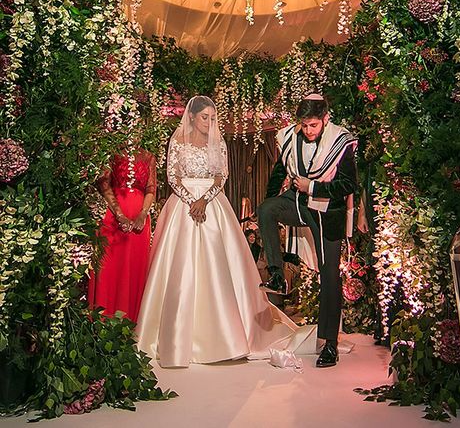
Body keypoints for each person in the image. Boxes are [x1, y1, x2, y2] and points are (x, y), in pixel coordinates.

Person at [136, 96, 295, 367]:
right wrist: (190, 200)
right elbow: (172, 176)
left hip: (212, 203)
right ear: (192, 117)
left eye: (212, 117)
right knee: (179, 268)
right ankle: (174, 336)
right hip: (182, 205)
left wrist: (204, 199)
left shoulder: (218, 142)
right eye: (204, 118)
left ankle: (226, 334)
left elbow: (222, 175)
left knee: (219, 266)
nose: (209, 123)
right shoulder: (178, 141)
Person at [258, 93, 359, 368]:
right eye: (304, 125)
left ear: (325, 119)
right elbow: (280, 171)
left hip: (327, 212)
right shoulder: (291, 138)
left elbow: (347, 185)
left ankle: (330, 344)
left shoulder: (342, 141)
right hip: (299, 204)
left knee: (329, 275)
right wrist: (270, 200)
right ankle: (277, 275)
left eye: (313, 125)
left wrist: (312, 187)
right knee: (266, 210)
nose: (308, 130)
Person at [88, 147, 156, 323]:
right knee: (110, 268)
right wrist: (119, 214)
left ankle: (132, 323)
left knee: (135, 269)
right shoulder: (111, 152)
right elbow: (104, 184)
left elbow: (151, 189)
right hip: (113, 217)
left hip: (139, 219)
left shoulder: (148, 157)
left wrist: (143, 213)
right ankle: (104, 321)